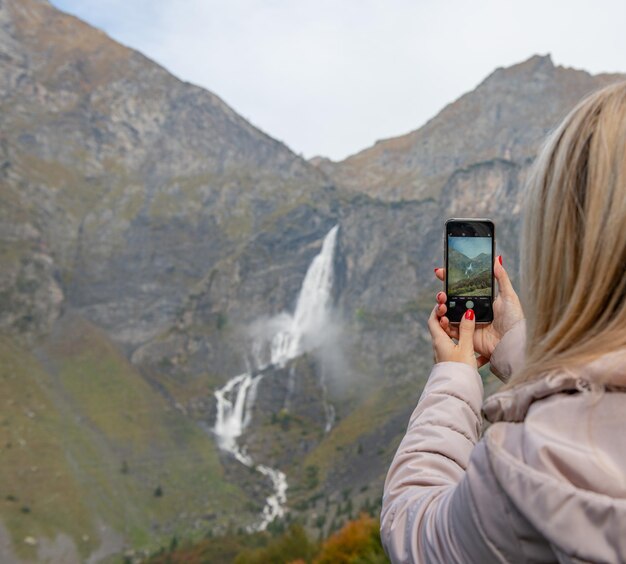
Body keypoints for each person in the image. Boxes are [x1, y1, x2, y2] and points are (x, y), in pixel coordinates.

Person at [381, 81, 626, 563]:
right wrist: (515, 341)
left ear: (567, 243)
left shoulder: (536, 462)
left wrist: (453, 378)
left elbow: (416, 530)